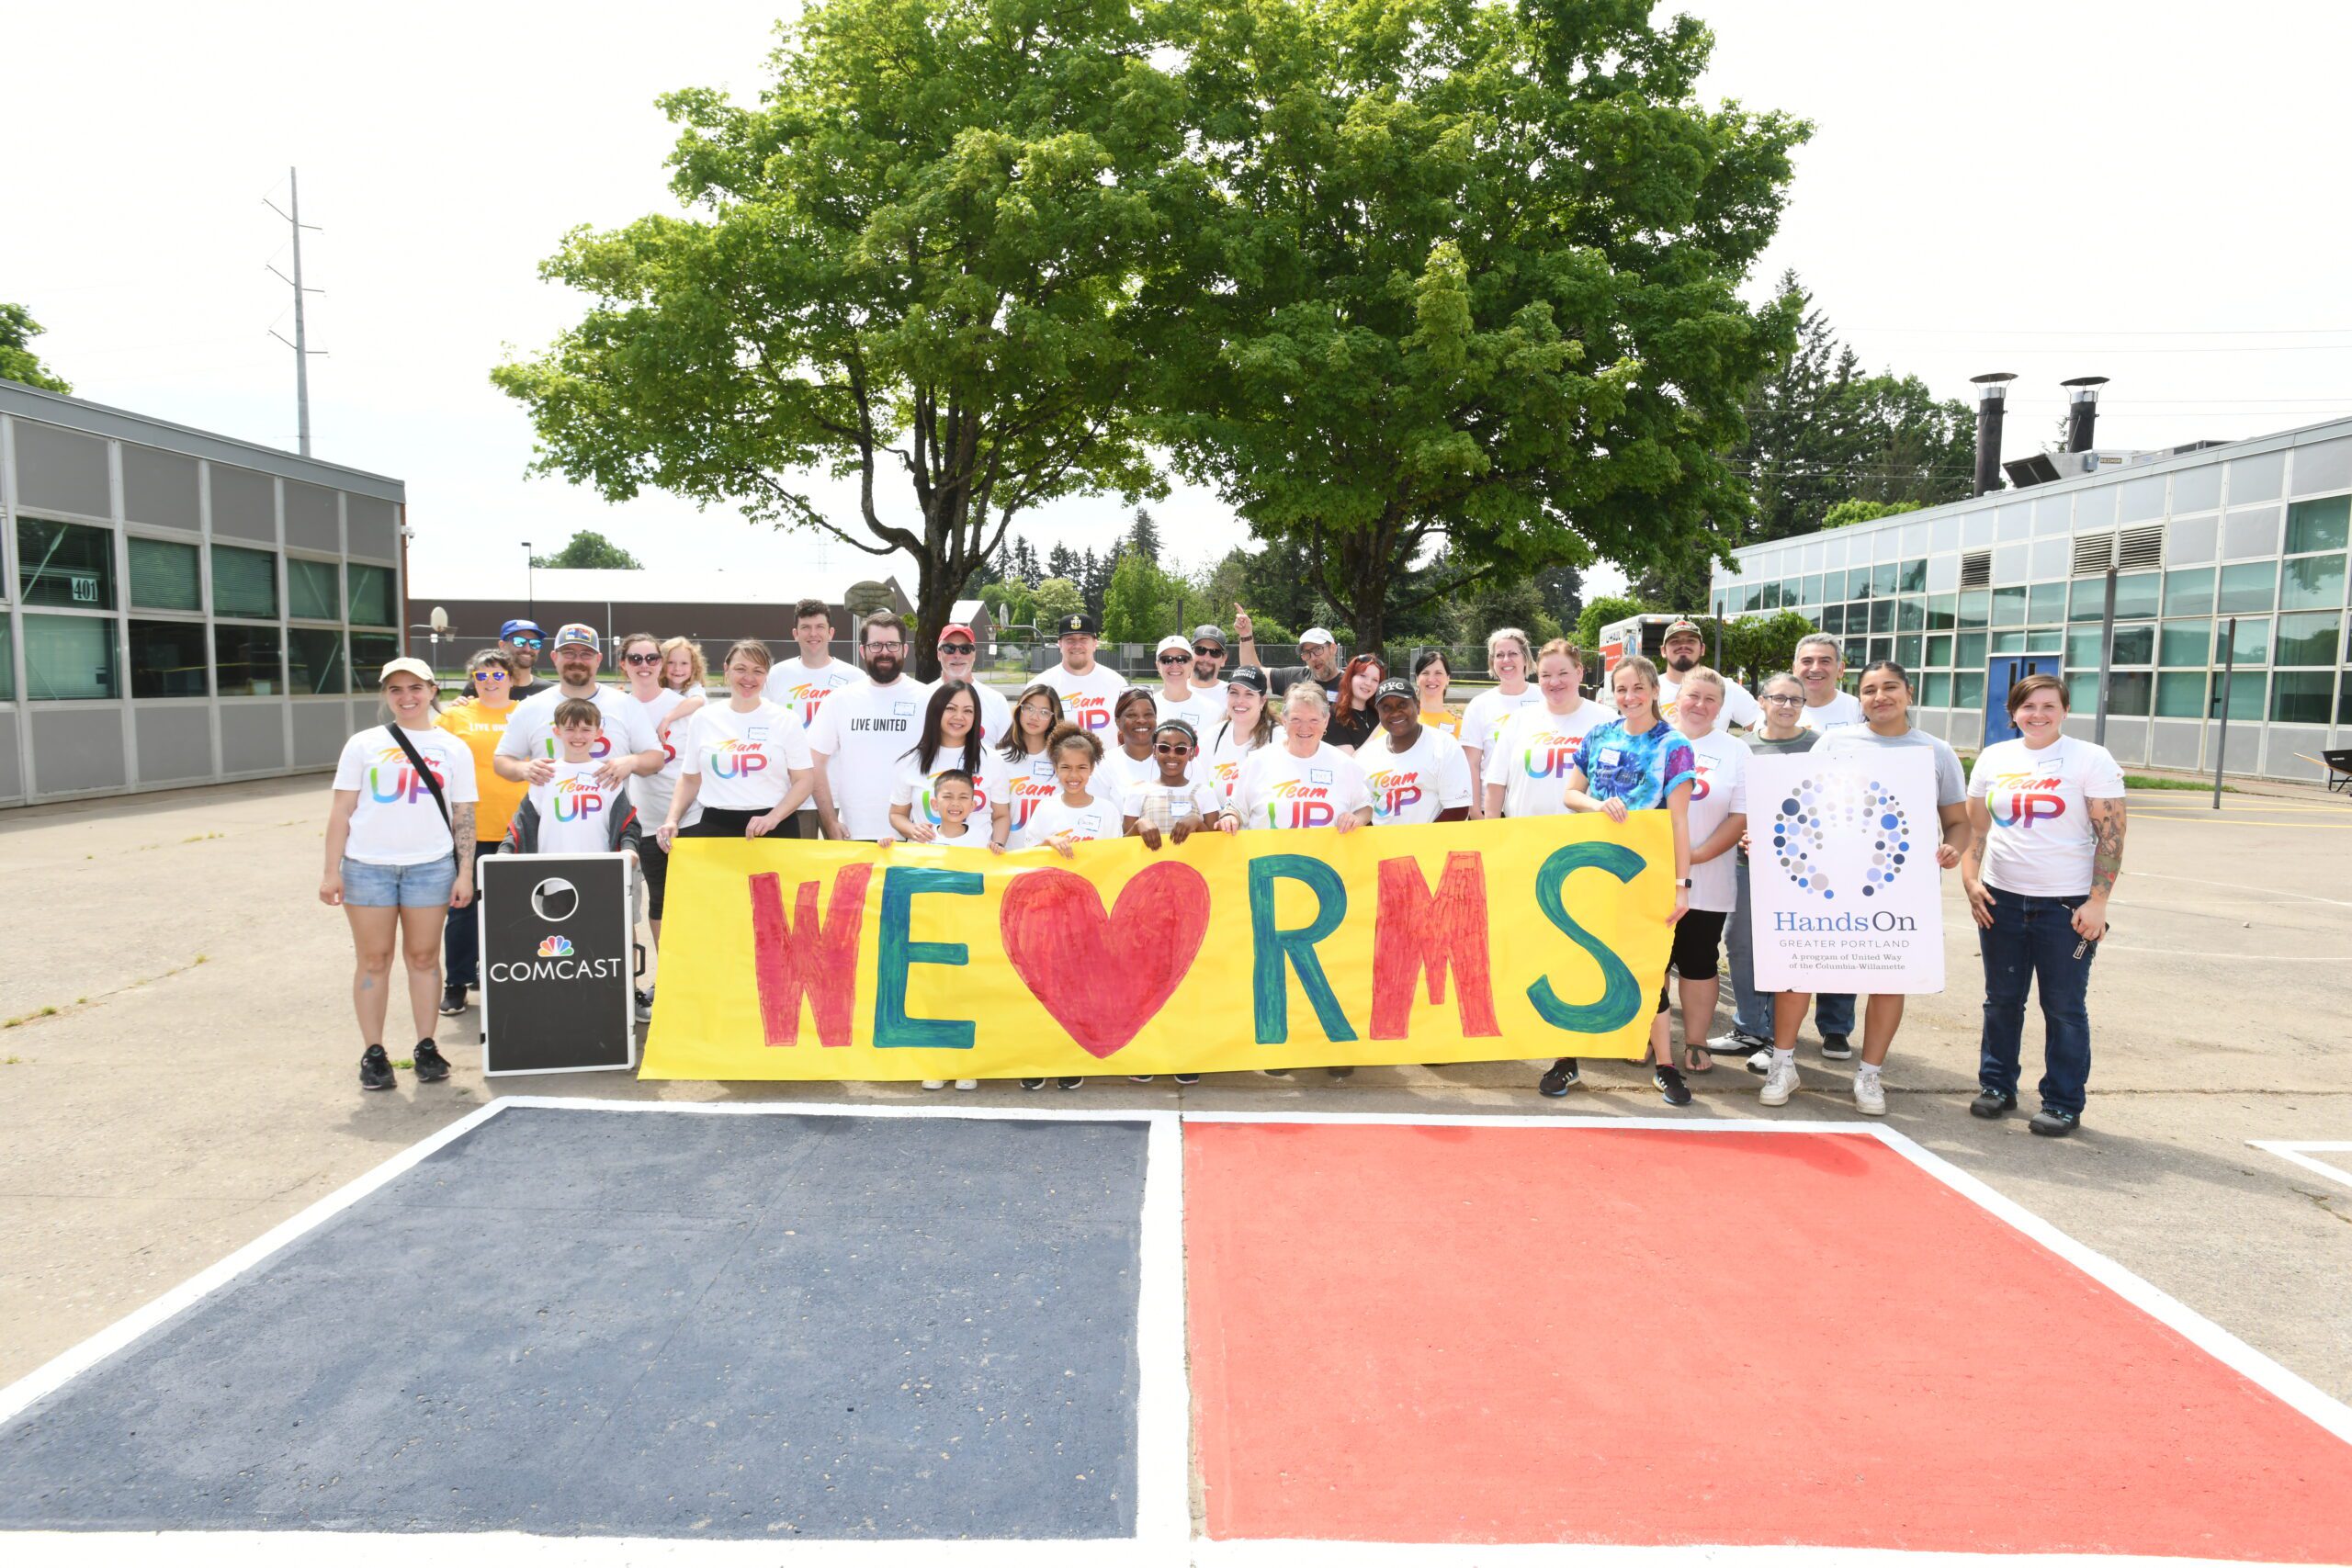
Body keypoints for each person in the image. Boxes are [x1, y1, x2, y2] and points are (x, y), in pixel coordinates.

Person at [1758, 660, 1971, 1118]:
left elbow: (1957, 823)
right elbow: (1802, 801)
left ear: (1908, 693)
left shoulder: (1936, 752)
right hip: (1828, 880)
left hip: (1898, 888)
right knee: (1799, 968)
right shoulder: (1836, 742)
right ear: (1861, 698)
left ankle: (1870, 1074)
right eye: (1870, 690)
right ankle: (1783, 1064)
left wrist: (1953, 849)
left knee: (1888, 978)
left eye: (1890, 687)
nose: (1880, 697)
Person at [1962, 674, 2127, 1137]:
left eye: (2048, 706)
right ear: (2013, 712)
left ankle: (2063, 1101)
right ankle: (1997, 1086)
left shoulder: (2090, 759)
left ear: (2065, 710)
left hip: (2065, 906)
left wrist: (2097, 902)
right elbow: (1977, 830)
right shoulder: (1995, 758)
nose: (2038, 715)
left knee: (2064, 1007)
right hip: (2002, 899)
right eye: (2028, 706)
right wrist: (1972, 882)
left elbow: (2111, 836)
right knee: (2001, 1001)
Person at [321, 658, 478, 1093]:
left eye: (415, 688)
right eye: (396, 690)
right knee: (374, 960)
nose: (406, 697)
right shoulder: (363, 744)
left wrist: (465, 872)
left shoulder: (453, 747)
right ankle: (374, 1054)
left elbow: (464, 815)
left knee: (425, 959)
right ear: (386, 695)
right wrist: (330, 871)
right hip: (367, 867)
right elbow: (342, 810)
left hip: (430, 866)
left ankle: (426, 1046)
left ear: (432, 690)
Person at [1545, 654, 1695, 1107]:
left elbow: (1680, 822)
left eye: (1637, 689)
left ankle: (1665, 1066)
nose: (1629, 697)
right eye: (1621, 689)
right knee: (1578, 962)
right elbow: (1571, 793)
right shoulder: (1599, 735)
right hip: (1592, 869)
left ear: (1653, 691)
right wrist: (1598, 805)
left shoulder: (1674, 745)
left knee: (1648, 969)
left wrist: (1681, 885)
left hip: (1645, 875)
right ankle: (1567, 1058)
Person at [1236, 681, 1371, 1078]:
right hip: (1274, 881)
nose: (1305, 727)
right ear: (1284, 720)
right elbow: (1237, 808)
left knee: (1333, 964)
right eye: (1296, 719)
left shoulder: (1344, 765)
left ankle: (1335, 1046)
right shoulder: (1259, 762)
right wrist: (1228, 817)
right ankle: (1284, 1046)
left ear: (1327, 722)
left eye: (1313, 719)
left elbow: (1365, 808)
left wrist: (1356, 818)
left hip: (1327, 883)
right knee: (1276, 966)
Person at [1722, 672, 1829, 1071]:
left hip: (1804, 870)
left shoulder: (1821, 747)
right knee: (1740, 942)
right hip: (1747, 863)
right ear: (1761, 702)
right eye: (1778, 698)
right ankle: (1749, 1026)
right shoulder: (1741, 747)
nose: (1786, 706)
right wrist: (1741, 837)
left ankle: (1777, 1041)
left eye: (1795, 700)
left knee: (1787, 949)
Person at [1012, 722, 1115, 1091]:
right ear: (1055, 769)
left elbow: (1115, 860)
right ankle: (1038, 1057)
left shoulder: (1106, 811)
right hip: (1047, 915)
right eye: (1066, 768)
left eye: (1082, 768)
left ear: (1092, 769)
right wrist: (1048, 841)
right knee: (1042, 989)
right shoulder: (1044, 809)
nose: (1074, 775)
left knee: (1078, 990)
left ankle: (1071, 1058)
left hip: (1086, 918)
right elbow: (1025, 856)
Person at [1659, 669, 1747, 1075]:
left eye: (1711, 699)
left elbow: (1739, 817)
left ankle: (1695, 1041)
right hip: (1647, 876)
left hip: (1707, 879)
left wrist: (1690, 857)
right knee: (1650, 961)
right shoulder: (1651, 739)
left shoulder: (1735, 751)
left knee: (1698, 961)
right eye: (1693, 695)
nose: (1700, 705)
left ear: (1721, 707)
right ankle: (1648, 1038)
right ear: (1678, 697)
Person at [434, 649, 528, 1018]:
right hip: (471, 827)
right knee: (463, 909)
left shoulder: (527, 713)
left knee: (520, 908)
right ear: (472, 680)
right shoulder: (456, 716)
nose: (490, 682)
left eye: (497, 675)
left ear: (510, 678)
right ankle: (456, 982)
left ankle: (518, 976)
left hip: (519, 826)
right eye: (482, 676)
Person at [616, 632, 704, 1021]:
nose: (645, 665)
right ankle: (667, 976)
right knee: (660, 903)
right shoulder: (615, 707)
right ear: (624, 664)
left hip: (691, 816)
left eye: (652, 658)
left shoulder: (684, 706)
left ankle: (698, 979)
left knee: (698, 903)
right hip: (645, 820)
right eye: (636, 659)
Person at [658, 640, 820, 846]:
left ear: (766, 675)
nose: (749, 678)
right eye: (740, 669)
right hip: (716, 828)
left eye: (758, 671)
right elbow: (690, 779)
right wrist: (672, 820)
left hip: (775, 829)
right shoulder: (704, 718)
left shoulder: (786, 720)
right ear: (726, 669)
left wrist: (774, 818)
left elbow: (804, 781)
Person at [492, 625, 665, 795]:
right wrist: (522, 768)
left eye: (586, 654)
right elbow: (502, 760)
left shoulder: (626, 704)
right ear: (554, 657)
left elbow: (656, 758)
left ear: (598, 659)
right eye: (568, 653)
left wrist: (633, 762)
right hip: (550, 818)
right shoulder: (531, 706)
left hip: (610, 819)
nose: (577, 660)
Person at [808, 612, 930, 842]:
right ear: (863, 651)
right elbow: (815, 762)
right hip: (854, 833)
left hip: (916, 835)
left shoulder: (928, 698)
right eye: (875, 645)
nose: (884, 652)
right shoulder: (839, 700)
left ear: (904, 649)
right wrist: (830, 822)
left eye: (892, 645)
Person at [1480, 640, 1616, 820]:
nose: (1554, 682)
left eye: (1563, 673)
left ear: (1579, 672)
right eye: (1545, 675)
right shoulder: (1519, 720)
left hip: (1586, 839)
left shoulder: (1607, 720)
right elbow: (1496, 784)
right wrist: (1494, 834)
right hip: (1526, 836)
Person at [504, 699, 646, 863]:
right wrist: (505, 851)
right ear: (557, 731)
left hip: (601, 870)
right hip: (551, 874)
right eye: (570, 729)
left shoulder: (607, 774)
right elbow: (522, 821)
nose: (578, 736)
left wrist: (629, 848)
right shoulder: (544, 774)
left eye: (586, 729)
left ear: (598, 733)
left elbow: (627, 822)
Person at [766, 598, 859, 836]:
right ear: (795, 634)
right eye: (806, 627)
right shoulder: (777, 676)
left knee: (844, 868)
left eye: (819, 627)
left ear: (831, 633)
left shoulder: (854, 678)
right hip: (793, 794)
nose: (813, 633)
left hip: (841, 794)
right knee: (798, 871)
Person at [888, 680, 1012, 849]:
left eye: (968, 711)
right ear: (936, 710)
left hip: (975, 866)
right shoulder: (910, 761)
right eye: (951, 708)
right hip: (925, 866)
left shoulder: (992, 760)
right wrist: (913, 830)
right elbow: (897, 814)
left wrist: (997, 845)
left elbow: (1001, 816)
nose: (959, 717)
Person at [1362, 677, 1472, 825]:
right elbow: (1362, 809)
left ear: (1418, 706)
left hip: (1430, 845)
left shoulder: (1444, 745)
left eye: (1402, 705)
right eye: (1386, 708)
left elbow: (1458, 809)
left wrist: (1421, 844)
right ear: (1378, 713)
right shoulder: (1367, 755)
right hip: (1381, 846)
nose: (1395, 713)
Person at [1460, 627, 1540, 813]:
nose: (1506, 660)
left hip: (1534, 809)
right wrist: (1475, 811)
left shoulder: (1543, 698)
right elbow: (1471, 763)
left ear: (1525, 658)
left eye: (1513, 653)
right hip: (1493, 811)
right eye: (1499, 655)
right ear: (1492, 662)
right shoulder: (1479, 705)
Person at [1123, 719, 1231, 844]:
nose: (1172, 755)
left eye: (1180, 749)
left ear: (1191, 754)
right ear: (1154, 752)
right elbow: (1125, 848)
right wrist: (1138, 825)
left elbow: (1216, 845)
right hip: (1151, 864)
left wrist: (1197, 823)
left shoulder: (1204, 793)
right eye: (1164, 748)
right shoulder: (1137, 792)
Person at [1024, 612, 1127, 739]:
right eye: (1070, 639)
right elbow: (1028, 735)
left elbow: (1125, 732)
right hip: (1056, 759)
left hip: (1107, 758)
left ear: (1095, 643)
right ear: (1060, 644)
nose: (1077, 645)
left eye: (1083, 639)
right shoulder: (1040, 685)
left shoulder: (1117, 683)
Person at [1657, 619, 1762, 732]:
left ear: (1702, 649)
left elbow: (1764, 729)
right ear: (1663, 651)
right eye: (1675, 641)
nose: (1683, 645)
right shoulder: (1648, 689)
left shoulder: (1727, 688)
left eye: (1691, 641)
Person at [998, 684, 1065, 843]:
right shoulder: (999, 759)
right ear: (1019, 710)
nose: (1034, 717)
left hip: (1050, 856)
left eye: (1044, 712)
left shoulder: (1063, 760)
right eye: (1029, 708)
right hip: (1007, 857)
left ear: (1052, 719)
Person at [1233, 607, 1343, 703]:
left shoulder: (1352, 684)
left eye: (1318, 649)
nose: (1313, 657)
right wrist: (1246, 635)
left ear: (1333, 649)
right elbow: (1253, 672)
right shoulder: (1296, 677)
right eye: (1306, 653)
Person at [1204, 666, 1274, 809]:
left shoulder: (1278, 738)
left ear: (1262, 701)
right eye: (1234, 693)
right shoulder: (1213, 736)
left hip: (1262, 830)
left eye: (1249, 694)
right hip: (1220, 829)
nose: (1239, 701)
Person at [934, 619, 1012, 745]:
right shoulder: (922, 696)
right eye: (949, 648)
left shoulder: (996, 701)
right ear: (938, 654)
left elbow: (1007, 753)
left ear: (974, 654)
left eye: (965, 649)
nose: (957, 655)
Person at [1102, 686, 1167, 803]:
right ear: (1118, 722)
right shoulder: (1103, 764)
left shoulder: (1179, 759)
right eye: (1132, 715)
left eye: (1148, 714)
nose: (1141, 720)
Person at [1149, 635, 1220, 734]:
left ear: (1191, 664)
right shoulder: (1147, 707)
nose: (1174, 665)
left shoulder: (1213, 711)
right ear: (1157, 665)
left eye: (1182, 659)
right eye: (1166, 660)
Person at [1792, 632, 1863, 731]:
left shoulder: (1858, 710)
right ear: (1794, 669)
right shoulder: (1773, 709)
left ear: (1840, 669)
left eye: (1825, 661)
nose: (1815, 669)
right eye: (1807, 661)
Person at [1326, 654, 1387, 751]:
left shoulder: (1377, 713)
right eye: (1363, 676)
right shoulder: (1334, 716)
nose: (1368, 683)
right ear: (1350, 678)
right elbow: (1350, 762)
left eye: (1375, 680)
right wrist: (1381, 726)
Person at [1412, 649, 1462, 739]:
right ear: (1417, 679)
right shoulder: (1403, 721)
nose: (1431, 679)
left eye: (1438, 673)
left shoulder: (1460, 725)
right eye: (1425, 673)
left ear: (1448, 678)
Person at [1188, 625, 1231, 723]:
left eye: (1215, 652)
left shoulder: (1232, 696)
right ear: (1190, 654)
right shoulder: (1174, 691)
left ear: (1223, 659)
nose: (1206, 658)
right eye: (1200, 650)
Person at [497, 619, 548, 698]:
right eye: (519, 641)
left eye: (534, 643)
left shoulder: (547, 691)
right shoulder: (483, 688)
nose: (527, 649)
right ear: (502, 645)